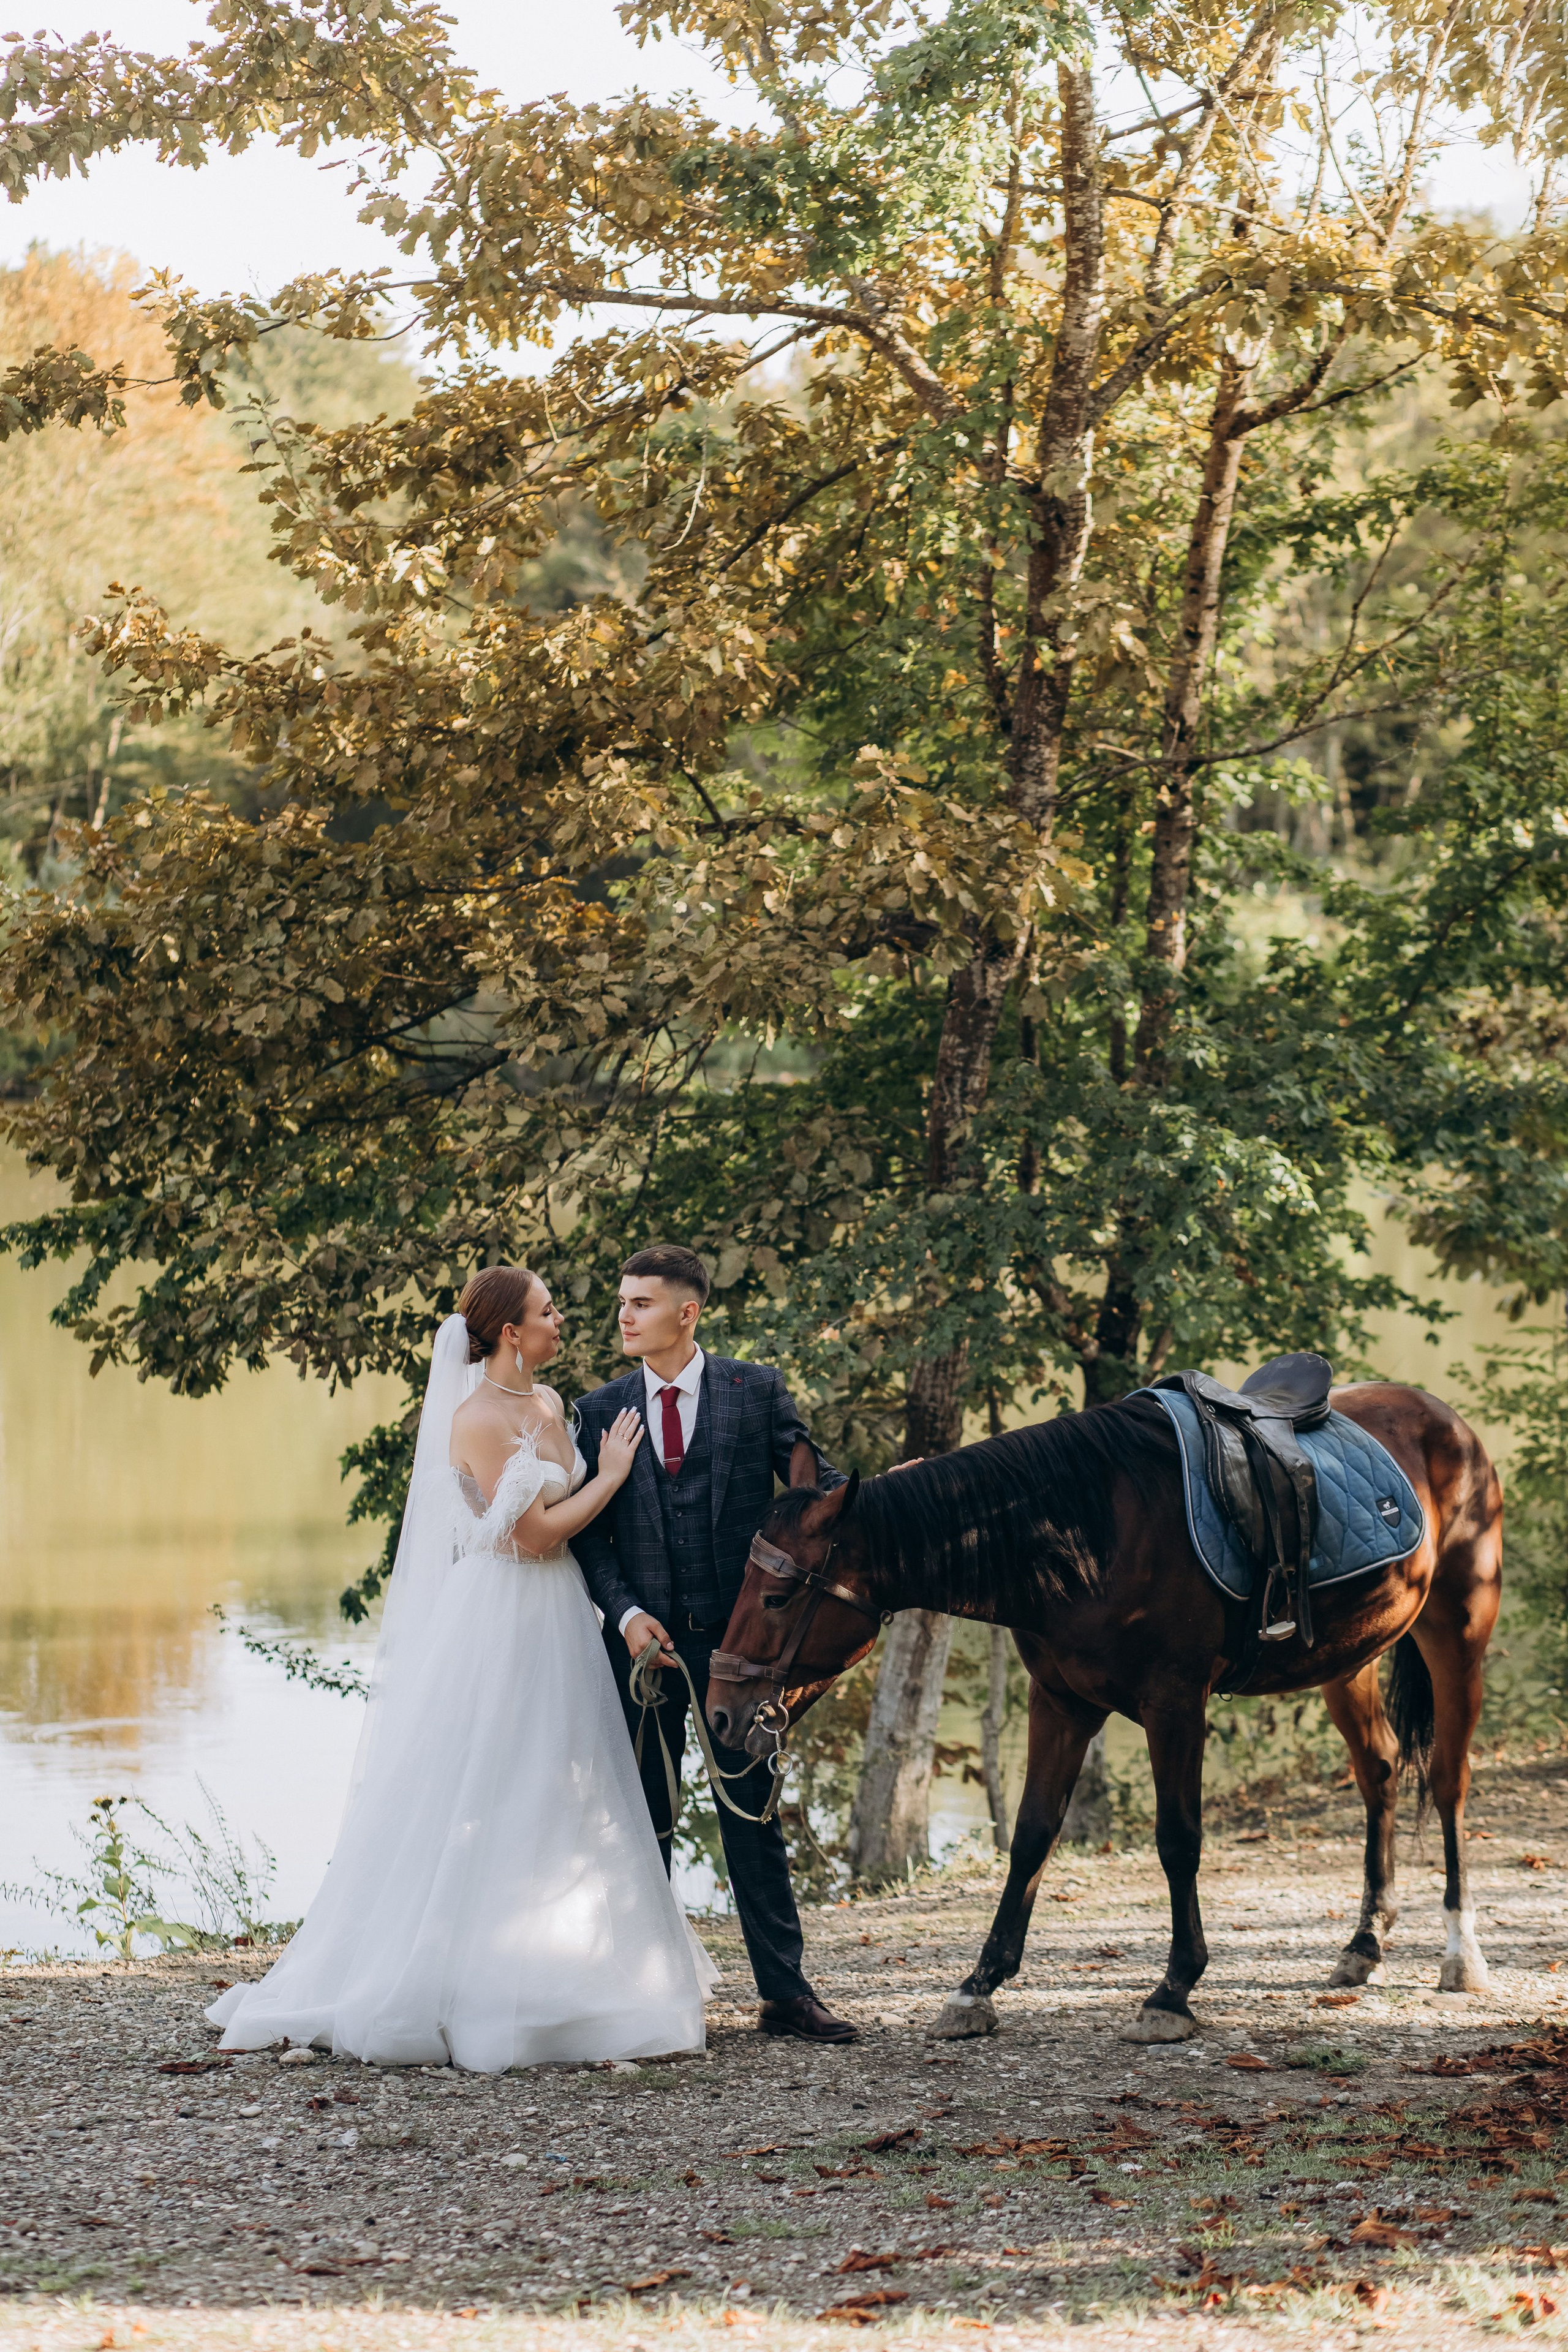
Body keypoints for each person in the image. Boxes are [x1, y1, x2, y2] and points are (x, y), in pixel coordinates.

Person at [206, 1266, 717, 2071]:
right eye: (548, 1313)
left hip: (560, 1616)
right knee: (490, 1778)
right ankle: (460, 1975)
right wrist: (613, 1474)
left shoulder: (549, 1404)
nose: (562, 1322)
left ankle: (567, 1961)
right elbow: (533, 1536)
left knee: (562, 1783)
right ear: (511, 1331)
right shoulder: (476, 1417)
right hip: (505, 1614)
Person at [574, 1244, 857, 2044]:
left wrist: (889, 1499)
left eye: (641, 1304)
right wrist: (626, 1614)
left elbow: (814, 1489)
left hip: (739, 1651)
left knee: (752, 1813)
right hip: (642, 1651)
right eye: (623, 1302)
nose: (624, 1316)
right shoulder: (599, 1412)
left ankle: (786, 1996)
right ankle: (642, 1996)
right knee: (642, 1821)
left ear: (687, 1313)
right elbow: (590, 1541)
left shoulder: (754, 1391)